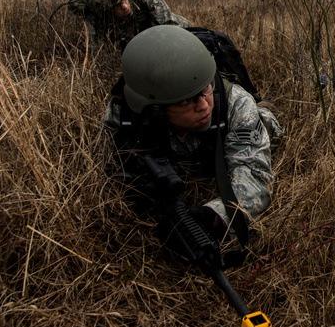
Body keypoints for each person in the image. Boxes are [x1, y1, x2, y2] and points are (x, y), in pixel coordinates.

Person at [103, 25, 276, 266]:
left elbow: (255, 176)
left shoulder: (235, 103)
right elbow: (111, 163)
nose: (204, 105)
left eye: (205, 90)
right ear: (155, 110)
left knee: (267, 125)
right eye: (185, 101)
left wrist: (212, 216)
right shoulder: (126, 115)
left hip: (243, 128)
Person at [77, 0, 190, 50]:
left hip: (183, 34)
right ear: (105, 11)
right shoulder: (96, 19)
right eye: (116, 6)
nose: (125, 7)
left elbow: (169, 30)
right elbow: (94, 50)